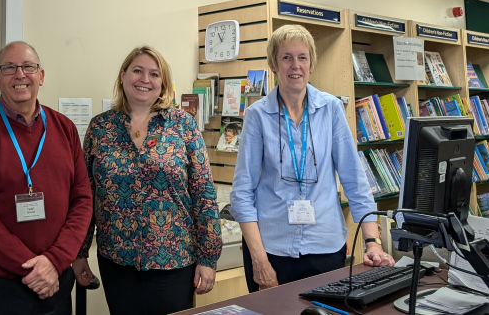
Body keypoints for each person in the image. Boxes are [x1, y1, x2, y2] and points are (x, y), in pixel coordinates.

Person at [230, 24, 394, 293]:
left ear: (312, 64)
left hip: (325, 248)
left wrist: (372, 242)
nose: (295, 65)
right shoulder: (257, 116)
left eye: (302, 57)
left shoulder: (330, 109)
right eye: (286, 57)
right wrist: (259, 259)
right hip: (272, 250)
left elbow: (355, 182)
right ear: (273, 64)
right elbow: (242, 194)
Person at [73, 45, 222, 315]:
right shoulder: (100, 128)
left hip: (174, 262)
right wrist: (80, 252)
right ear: (123, 75)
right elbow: (87, 195)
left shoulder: (183, 125)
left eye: (154, 74)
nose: (145, 79)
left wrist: (208, 258)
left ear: (162, 82)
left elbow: (204, 195)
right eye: (137, 71)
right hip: (116, 260)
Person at [0, 41, 92, 315]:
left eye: (28, 66)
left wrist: (54, 261)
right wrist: (33, 266)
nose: (20, 74)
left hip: (55, 283)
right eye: (8, 68)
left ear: (40, 75)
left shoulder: (65, 128)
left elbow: (83, 199)